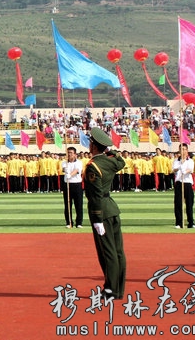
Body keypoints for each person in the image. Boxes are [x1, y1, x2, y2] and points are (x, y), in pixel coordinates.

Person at [85, 126, 126, 300]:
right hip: (112, 208)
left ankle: (110, 290)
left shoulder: (93, 166)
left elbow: (94, 196)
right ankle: (118, 289)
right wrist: (110, 150)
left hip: (102, 210)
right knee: (118, 252)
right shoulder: (110, 161)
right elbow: (121, 161)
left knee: (107, 253)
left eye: (90, 143)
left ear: (94, 146)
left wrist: (97, 219)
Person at [172, 144, 195, 229]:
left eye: (185, 149)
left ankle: (191, 223)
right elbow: (174, 169)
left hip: (187, 183)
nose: (183, 151)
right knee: (178, 204)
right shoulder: (176, 160)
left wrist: (184, 171)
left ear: (187, 150)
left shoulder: (190, 160)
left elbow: (190, 170)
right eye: (181, 149)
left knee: (189, 204)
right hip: (179, 183)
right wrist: (180, 166)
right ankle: (179, 223)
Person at [63, 146, 83, 228]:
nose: (69, 154)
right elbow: (64, 168)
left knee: (78, 204)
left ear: (75, 154)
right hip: (67, 184)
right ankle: (69, 222)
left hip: (77, 184)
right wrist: (66, 170)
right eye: (68, 153)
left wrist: (69, 174)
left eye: (71, 153)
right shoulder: (64, 162)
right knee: (68, 204)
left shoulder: (79, 162)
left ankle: (79, 223)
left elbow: (77, 170)